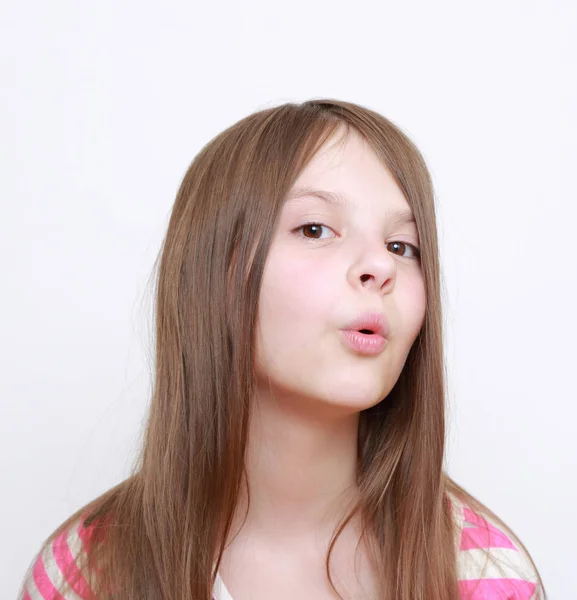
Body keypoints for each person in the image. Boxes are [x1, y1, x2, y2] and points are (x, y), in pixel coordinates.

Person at [18, 98, 546, 599]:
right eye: (315, 229)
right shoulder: (87, 575)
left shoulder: (485, 577)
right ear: (215, 275)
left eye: (401, 246)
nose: (380, 267)